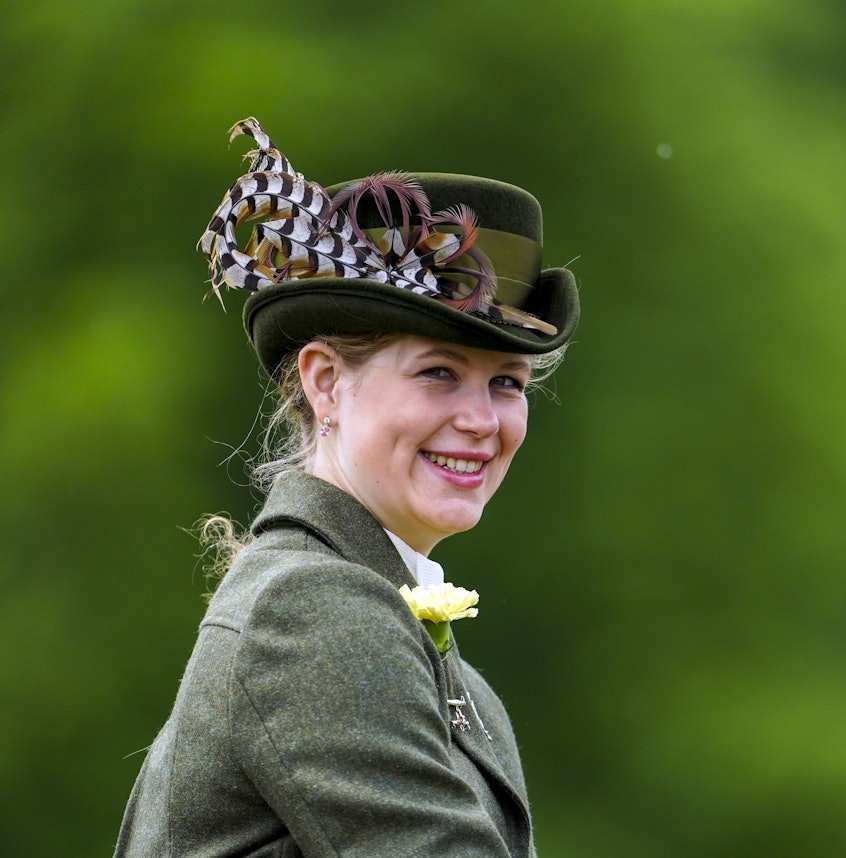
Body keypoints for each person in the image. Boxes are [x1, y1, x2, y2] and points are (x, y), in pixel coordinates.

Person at [113, 117, 579, 858]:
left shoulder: (393, 632)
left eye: (506, 384)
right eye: (438, 373)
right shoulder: (315, 611)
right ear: (326, 383)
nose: (480, 420)